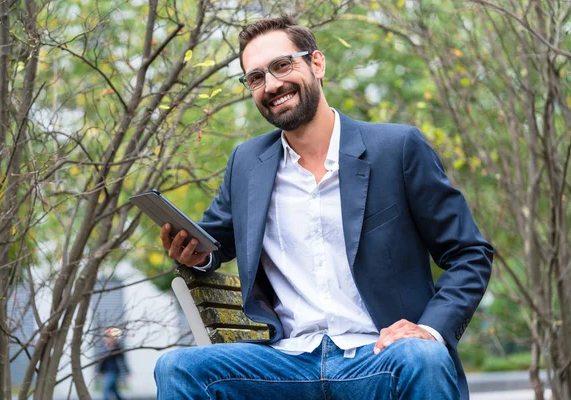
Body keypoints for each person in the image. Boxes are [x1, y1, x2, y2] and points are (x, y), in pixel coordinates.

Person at [155, 16, 493, 400]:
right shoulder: (248, 163)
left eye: (282, 66)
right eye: (255, 78)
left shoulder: (396, 149)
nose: (272, 85)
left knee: (423, 356)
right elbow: (216, 240)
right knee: (178, 368)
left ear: (317, 64)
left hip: (380, 355)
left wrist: (429, 330)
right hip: (286, 364)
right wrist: (195, 254)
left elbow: (470, 253)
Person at [98, 327, 129, 400]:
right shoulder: (104, 347)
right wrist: (99, 371)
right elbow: (101, 361)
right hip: (106, 371)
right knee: (115, 391)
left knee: (106, 388)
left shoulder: (117, 347)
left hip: (114, 371)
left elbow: (122, 359)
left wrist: (127, 370)